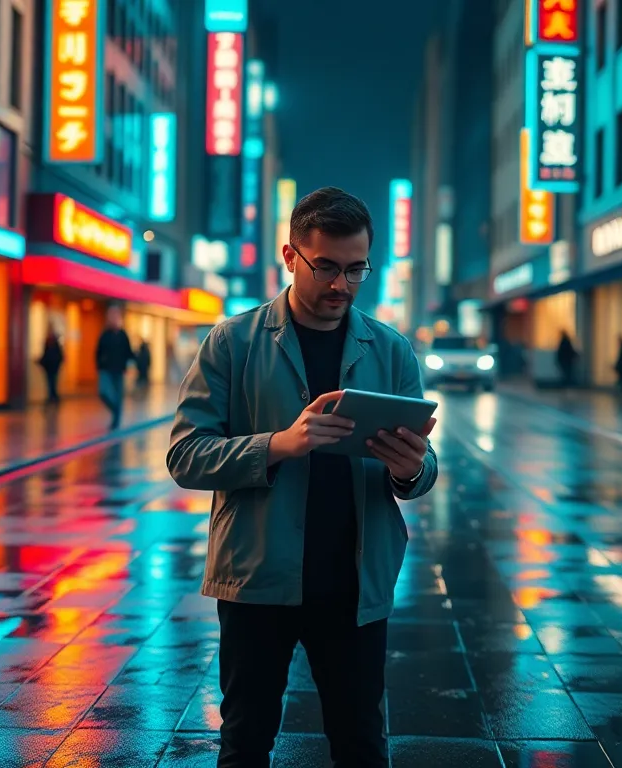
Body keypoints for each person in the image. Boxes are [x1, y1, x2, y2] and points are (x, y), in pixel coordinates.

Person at [167, 186, 438, 768]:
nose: (342, 285)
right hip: (258, 577)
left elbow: (424, 468)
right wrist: (278, 446)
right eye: (327, 268)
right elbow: (186, 455)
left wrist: (411, 468)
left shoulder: (389, 351)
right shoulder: (233, 343)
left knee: (362, 742)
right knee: (245, 739)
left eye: (356, 269)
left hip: (355, 582)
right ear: (290, 257)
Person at [96, 306, 134, 429]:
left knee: (118, 395)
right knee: (103, 392)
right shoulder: (105, 334)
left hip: (119, 370)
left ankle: (116, 420)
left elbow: (129, 352)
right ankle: (115, 409)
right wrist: (99, 365)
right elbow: (98, 351)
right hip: (106, 369)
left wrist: (131, 364)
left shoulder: (123, 335)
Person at [38, 328, 64, 404]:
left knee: (51, 381)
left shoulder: (50, 344)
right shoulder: (51, 344)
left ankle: (52, 395)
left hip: (51, 366)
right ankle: (52, 395)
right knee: (52, 381)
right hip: (51, 366)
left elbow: (58, 356)